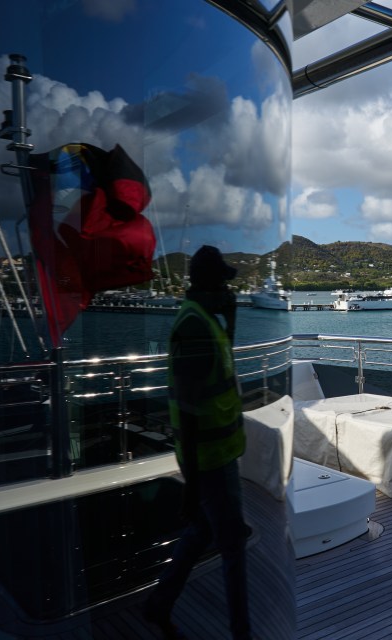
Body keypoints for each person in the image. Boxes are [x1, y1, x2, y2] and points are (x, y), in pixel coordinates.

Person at [144, 245, 251, 640]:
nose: (228, 288)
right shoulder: (193, 326)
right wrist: (190, 486)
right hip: (209, 459)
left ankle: (158, 605)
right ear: (207, 281)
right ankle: (242, 633)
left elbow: (222, 373)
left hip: (216, 453)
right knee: (234, 544)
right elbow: (188, 410)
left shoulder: (208, 320)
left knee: (203, 533)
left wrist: (232, 316)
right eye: (223, 280)